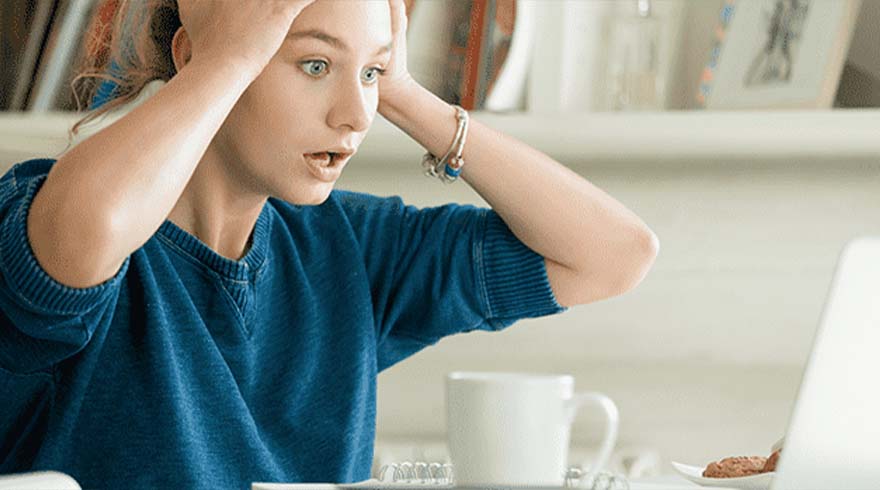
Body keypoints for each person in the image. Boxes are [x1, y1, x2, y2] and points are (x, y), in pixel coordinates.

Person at [0, 0, 659, 488]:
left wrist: (402, 93)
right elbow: (89, 232)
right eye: (314, 64)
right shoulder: (54, 213)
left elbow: (614, 253)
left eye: (369, 77)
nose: (355, 115)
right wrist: (228, 57)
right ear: (196, 59)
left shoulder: (350, 248)